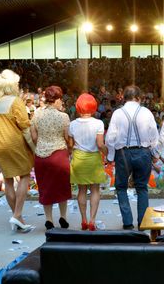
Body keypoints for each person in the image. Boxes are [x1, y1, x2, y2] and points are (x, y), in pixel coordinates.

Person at [0, 69, 34, 233]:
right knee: (25, 175)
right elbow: (25, 127)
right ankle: (17, 214)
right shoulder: (15, 101)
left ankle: (18, 218)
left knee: (9, 180)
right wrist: (33, 147)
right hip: (15, 144)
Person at [105, 85, 159, 230]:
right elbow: (154, 134)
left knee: (121, 187)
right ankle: (142, 222)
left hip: (123, 153)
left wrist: (110, 156)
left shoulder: (118, 113)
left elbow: (110, 138)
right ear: (138, 98)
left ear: (124, 97)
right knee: (142, 188)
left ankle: (127, 222)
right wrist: (155, 154)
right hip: (143, 152)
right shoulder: (146, 112)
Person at [30, 85, 71, 231]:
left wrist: (42, 143)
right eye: (61, 99)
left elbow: (34, 137)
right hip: (59, 154)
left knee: (45, 188)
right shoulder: (64, 117)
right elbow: (67, 138)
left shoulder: (37, 115)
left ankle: (49, 219)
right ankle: (63, 217)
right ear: (57, 99)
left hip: (41, 156)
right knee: (62, 187)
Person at [68, 93, 107, 231]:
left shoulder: (72, 124)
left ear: (78, 107)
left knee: (81, 190)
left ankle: (83, 219)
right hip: (93, 159)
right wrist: (107, 153)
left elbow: (70, 144)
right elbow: (100, 144)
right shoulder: (98, 123)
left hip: (78, 158)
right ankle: (92, 220)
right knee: (95, 190)